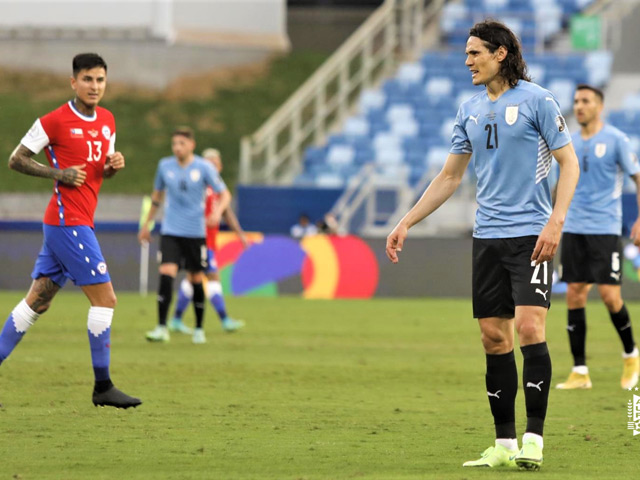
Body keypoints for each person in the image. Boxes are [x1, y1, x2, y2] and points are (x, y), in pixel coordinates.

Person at [386, 20, 580, 470]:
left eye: (475, 53)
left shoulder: (538, 100)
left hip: (532, 233)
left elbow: (569, 165)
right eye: (466, 54)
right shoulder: (469, 109)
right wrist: (407, 221)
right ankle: (504, 444)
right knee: (494, 338)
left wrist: (556, 222)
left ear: (501, 54)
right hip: (487, 237)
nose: (468, 61)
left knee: (531, 329)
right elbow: (450, 176)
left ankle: (534, 439)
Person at [0, 53, 141, 409]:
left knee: (38, 302)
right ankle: (103, 386)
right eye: (88, 79)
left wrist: (113, 166)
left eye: (100, 80)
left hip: (77, 221)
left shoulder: (108, 120)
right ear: (73, 82)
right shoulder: (55, 120)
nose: (95, 86)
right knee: (106, 299)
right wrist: (57, 174)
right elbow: (15, 159)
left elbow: (99, 171)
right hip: (67, 222)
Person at [555, 84, 640, 391]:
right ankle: (580, 371)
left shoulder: (616, 139)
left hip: (605, 229)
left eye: (586, 101)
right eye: (576, 101)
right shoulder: (569, 142)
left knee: (609, 296)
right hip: (574, 228)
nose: (579, 106)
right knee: (575, 293)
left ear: (599, 106)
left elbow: (637, 177)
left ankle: (631, 355)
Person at [138, 127, 230, 344]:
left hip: (195, 232)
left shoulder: (204, 167)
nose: (177, 148)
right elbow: (157, 196)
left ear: (191, 145)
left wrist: (217, 212)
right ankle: (162, 327)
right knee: (166, 272)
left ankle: (199, 328)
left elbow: (225, 193)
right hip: (171, 230)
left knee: (196, 277)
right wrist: (147, 224)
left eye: (181, 143)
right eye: (174, 144)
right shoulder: (164, 166)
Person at [169, 148, 247, 334]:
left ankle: (176, 320)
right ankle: (225, 320)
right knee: (212, 276)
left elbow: (227, 214)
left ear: (219, 166)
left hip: (208, 242)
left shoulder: (217, 189)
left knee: (192, 279)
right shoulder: (198, 186)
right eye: (209, 163)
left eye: (215, 163)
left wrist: (241, 235)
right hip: (198, 240)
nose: (213, 167)